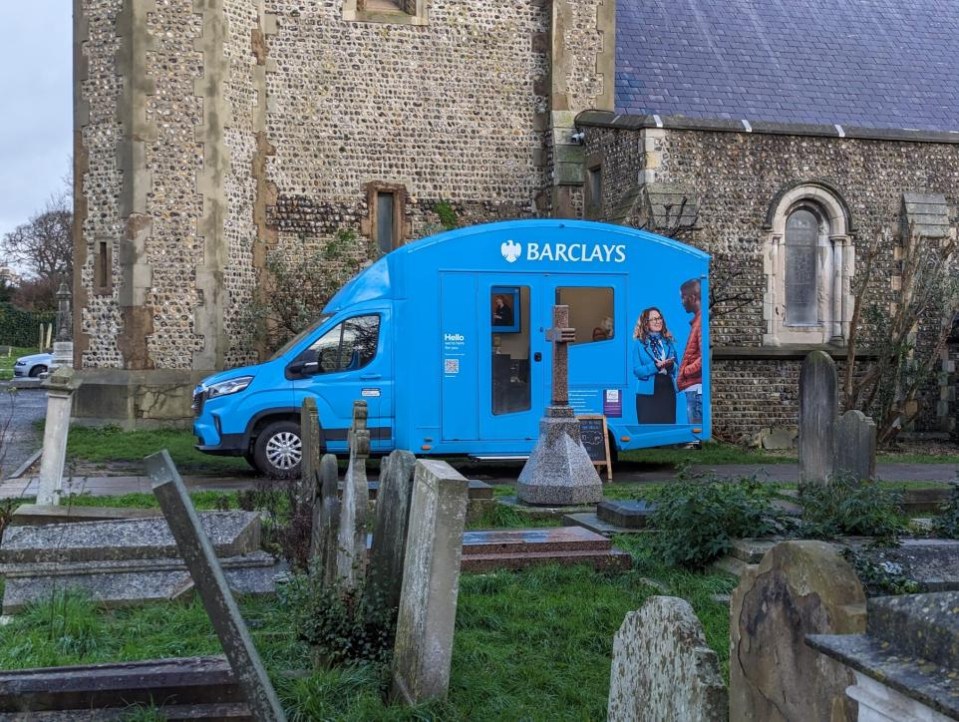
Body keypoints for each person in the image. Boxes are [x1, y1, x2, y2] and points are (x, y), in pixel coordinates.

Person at [632, 306, 678, 424]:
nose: (658, 321)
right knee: (648, 429)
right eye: (654, 319)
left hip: (667, 389)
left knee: (667, 427)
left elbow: (677, 367)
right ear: (645, 323)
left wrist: (670, 366)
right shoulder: (639, 344)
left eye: (659, 318)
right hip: (647, 393)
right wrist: (655, 366)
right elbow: (637, 370)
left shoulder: (669, 342)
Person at [677, 278, 703, 424]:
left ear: (692, 298)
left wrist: (686, 371)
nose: (682, 302)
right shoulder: (697, 322)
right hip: (693, 388)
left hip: (695, 387)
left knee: (695, 429)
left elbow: (703, 357)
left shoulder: (700, 323)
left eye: (683, 297)